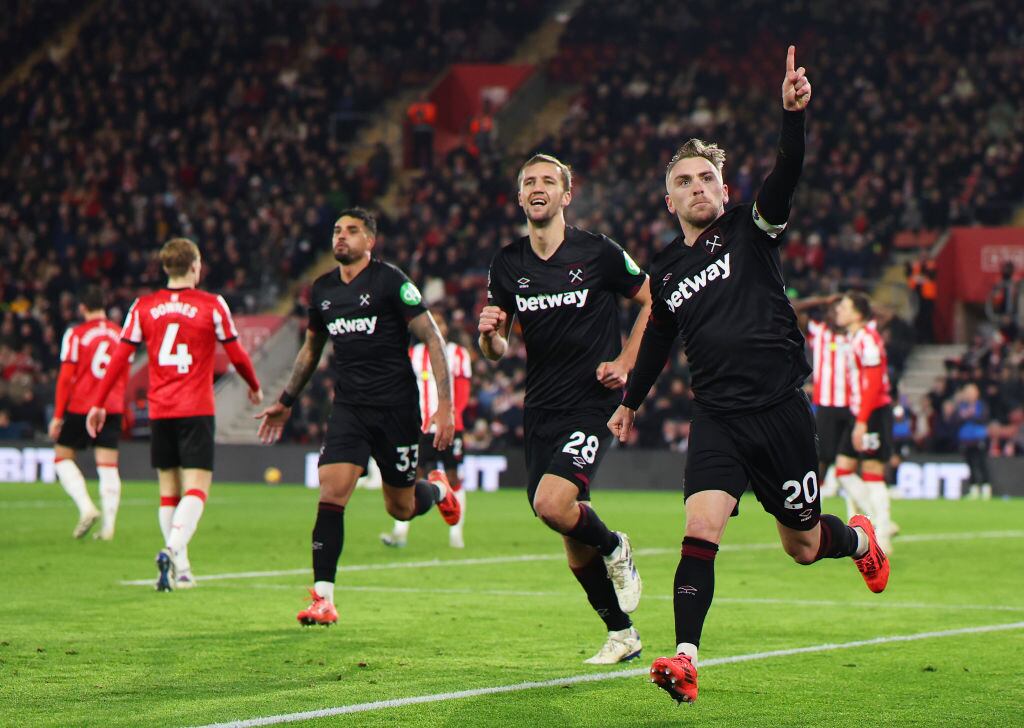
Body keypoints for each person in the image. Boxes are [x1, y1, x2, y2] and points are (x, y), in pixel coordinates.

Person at [608, 47, 888, 705]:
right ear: (669, 198)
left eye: (708, 177)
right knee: (699, 530)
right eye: (685, 181)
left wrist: (793, 117)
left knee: (803, 544)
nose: (698, 187)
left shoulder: (750, 229)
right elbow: (659, 338)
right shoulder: (664, 270)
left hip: (780, 411)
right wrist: (631, 401)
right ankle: (685, 658)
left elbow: (787, 172)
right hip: (718, 417)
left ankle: (857, 541)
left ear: (725, 190)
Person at [479, 153, 651, 665]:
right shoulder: (508, 263)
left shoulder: (597, 252)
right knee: (568, 529)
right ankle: (622, 634)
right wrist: (488, 336)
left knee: (552, 505)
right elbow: (498, 349)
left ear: (566, 195)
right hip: (541, 408)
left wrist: (626, 361)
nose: (538, 187)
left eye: (548, 181)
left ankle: (616, 545)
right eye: (529, 181)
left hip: (591, 402)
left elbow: (654, 300)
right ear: (520, 197)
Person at [255, 208, 461, 627]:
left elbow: (433, 338)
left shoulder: (391, 281)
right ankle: (323, 599)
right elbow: (312, 348)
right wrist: (286, 400)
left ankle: (439, 490)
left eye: (352, 231)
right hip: (349, 409)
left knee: (401, 508)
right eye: (337, 230)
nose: (341, 236)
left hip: (397, 410)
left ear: (370, 241)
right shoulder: (323, 290)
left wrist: (446, 406)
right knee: (331, 493)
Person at [87, 238, 263, 590]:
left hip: (160, 410)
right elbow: (237, 353)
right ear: (195, 266)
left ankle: (180, 570)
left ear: (166, 268)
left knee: (168, 491)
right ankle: (172, 550)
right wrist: (254, 386)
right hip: (196, 409)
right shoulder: (212, 305)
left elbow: (120, 358)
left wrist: (98, 402)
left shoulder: (143, 307)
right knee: (196, 488)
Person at [381, 313, 472, 548]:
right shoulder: (413, 354)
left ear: (446, 327)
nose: (436, 327)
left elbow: (462, 392)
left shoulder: (458, 354)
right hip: (419, 427)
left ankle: (456, 533)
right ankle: (400, 532)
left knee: (453, 477)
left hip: (450, 426)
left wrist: (453, 419)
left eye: (439, 323)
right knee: (412, 476)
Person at [49, 286, 128, 540]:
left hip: (82, 406)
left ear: (82, 307)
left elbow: (66, 378)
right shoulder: (121, 334)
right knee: (108, 465)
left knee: (62, 457)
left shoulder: (76, 335)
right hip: (111, 406)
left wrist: (58, 415)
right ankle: (109, 528)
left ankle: (86, 507)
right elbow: (125, 374)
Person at [833, 291, 896, 552]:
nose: (839, 310)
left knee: (872, 471)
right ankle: (881, 522)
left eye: (844, 307)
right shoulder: (855, 337)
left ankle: (882, 530)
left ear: (857, 313)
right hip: (860, 412)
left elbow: (874, 381)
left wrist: (862, 421)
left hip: (872, 413)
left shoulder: (867, 339)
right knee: (843, 470)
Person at [795, 295, 853, 507]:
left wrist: (855, 306)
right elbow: (793, 308)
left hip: (852, 406)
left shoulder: (856, 335)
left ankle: (854, 502)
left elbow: (886, 317)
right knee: (821, 456)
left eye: (841, 310)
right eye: (833, 310)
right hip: (826, 404)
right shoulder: (819, 332)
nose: (836, 314)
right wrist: (823, 300)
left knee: (852, 457)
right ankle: (812, 498)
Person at [954, 383, 992, 499]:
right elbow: (956, 419)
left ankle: (986, 488)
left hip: (979, 438)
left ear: (976, 393)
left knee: (981, 463)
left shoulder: (981, 405)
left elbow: (984, 418)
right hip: (966, 440)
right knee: (970, 464)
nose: (969, 395)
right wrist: (965, 416)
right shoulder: (962, 406)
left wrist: (971, 416)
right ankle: (974, 488)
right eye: (967, 393)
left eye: (971, 393)